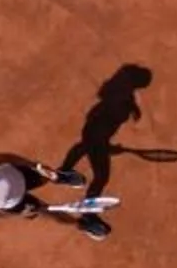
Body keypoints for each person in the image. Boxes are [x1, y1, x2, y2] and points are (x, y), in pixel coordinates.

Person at [0, 152, 110, 239]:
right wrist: (18, 214)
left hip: (21, 176)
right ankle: (81, 224)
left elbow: (5, 156)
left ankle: (61, 177)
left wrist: (35, 165)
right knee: (50, 214)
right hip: (17, 203)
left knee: (47, 176)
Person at [56, 62, 153, 200]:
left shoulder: (120, 93)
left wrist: (133, 106)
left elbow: (115, 103)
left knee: (84, 146)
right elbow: (99, 135)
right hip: (97, 135)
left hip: (93, 129)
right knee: (101, 176)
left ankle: (63, 171)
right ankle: (87, 213)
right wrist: (106, 147)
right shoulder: (119, 102)